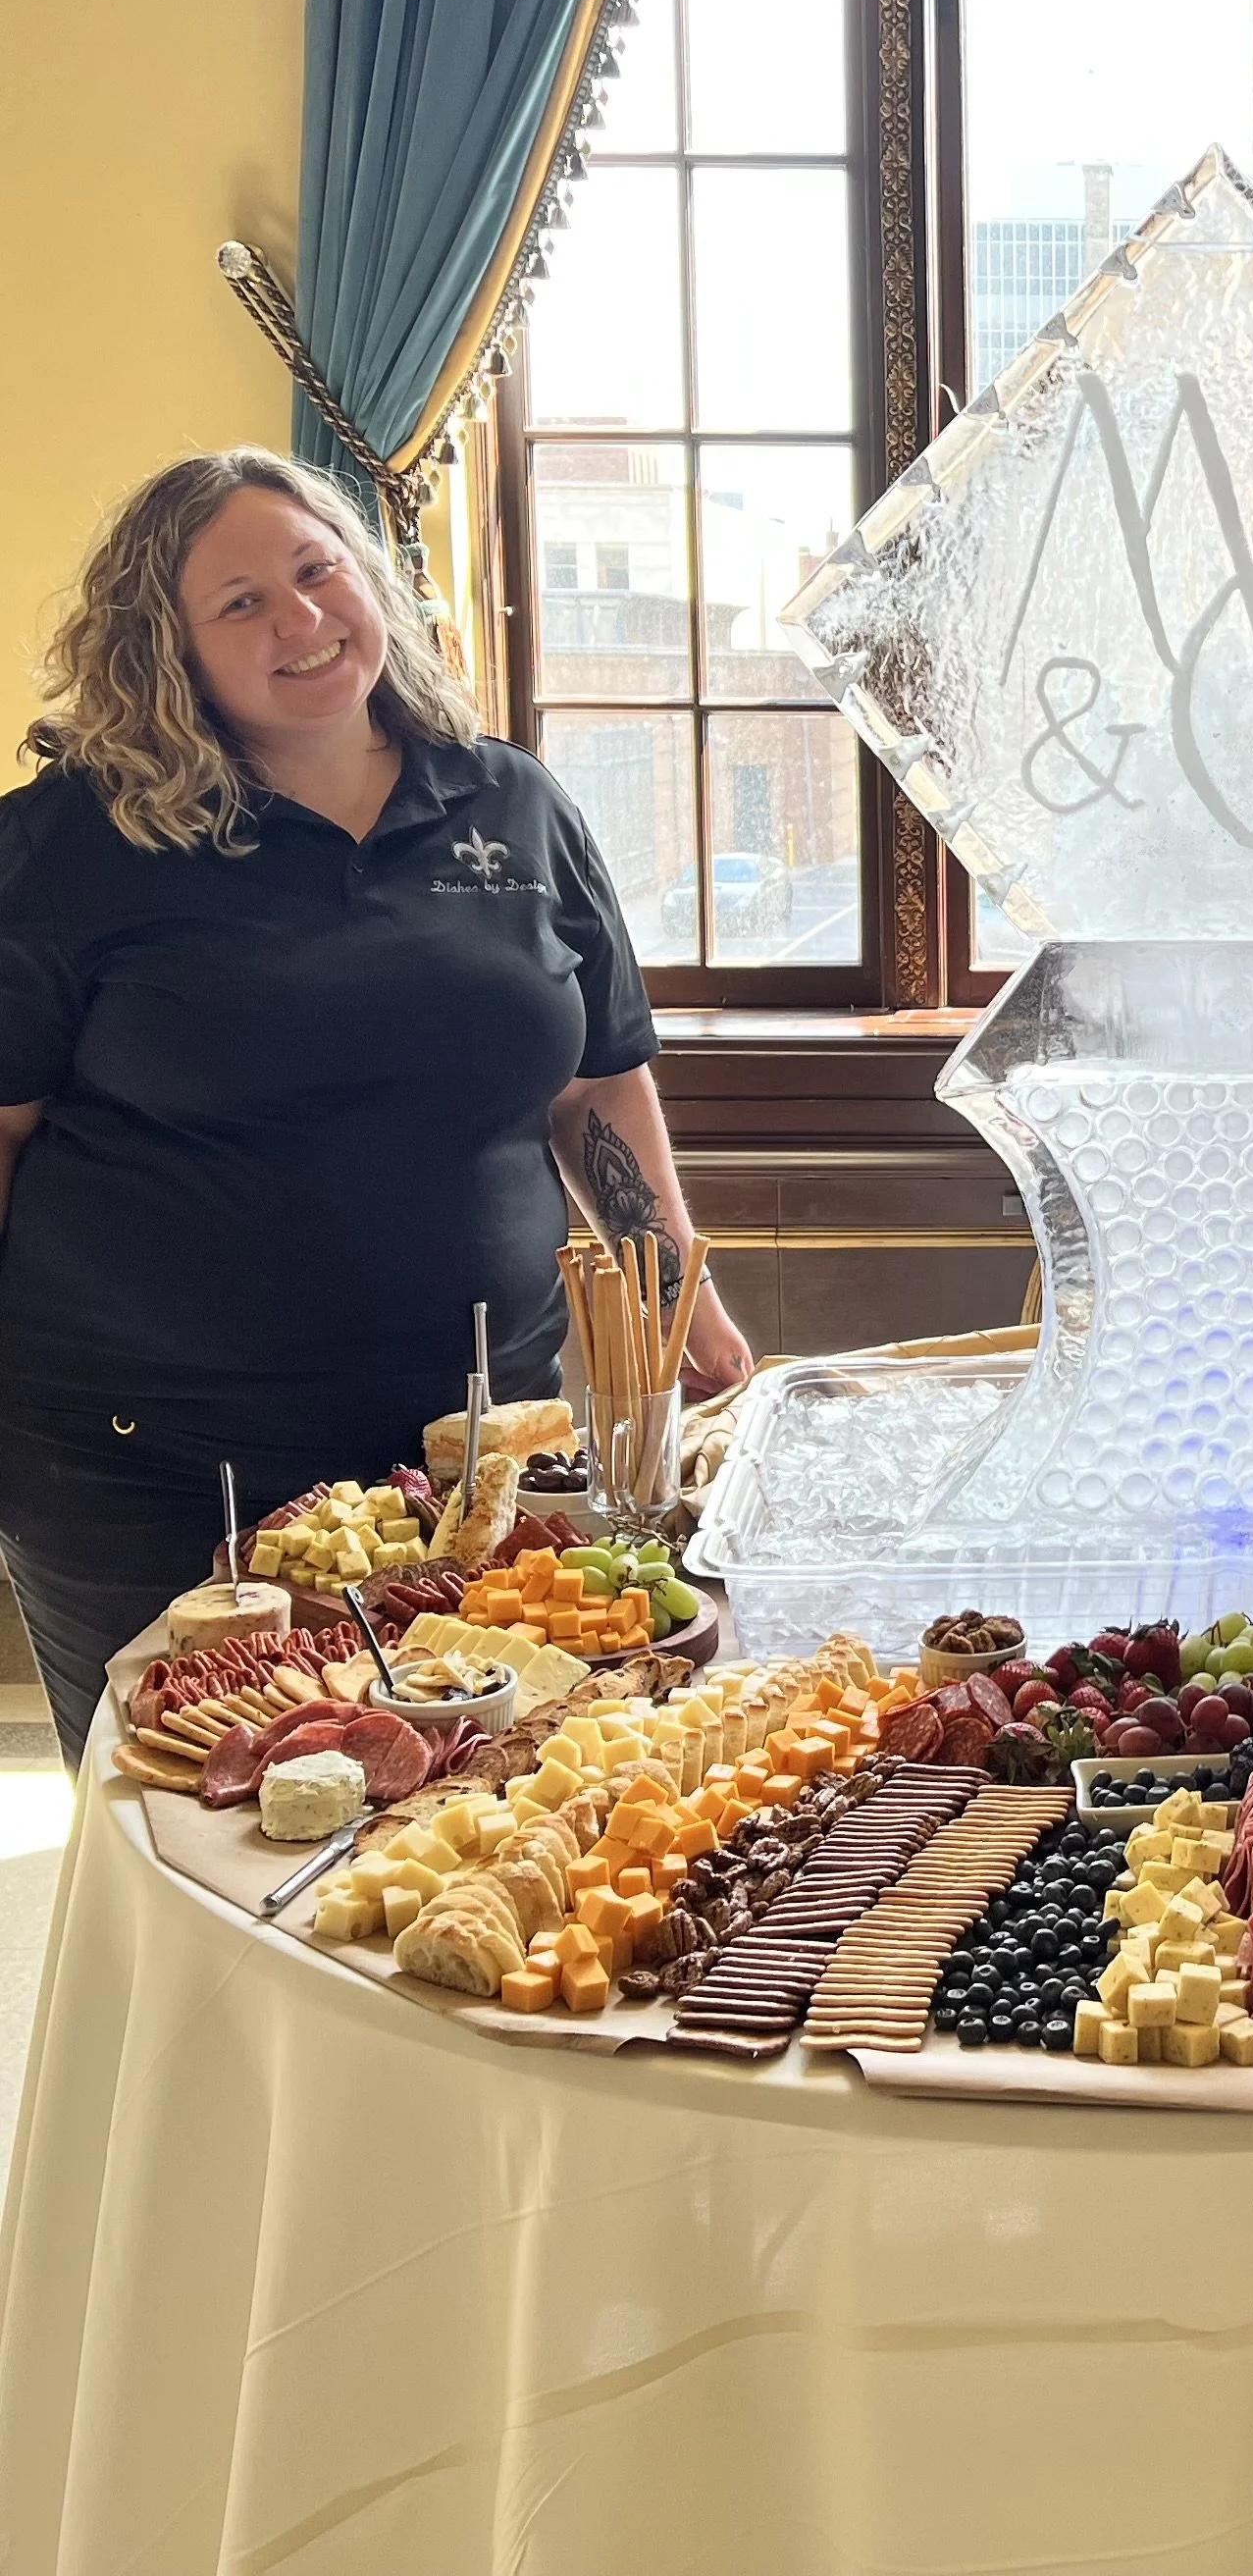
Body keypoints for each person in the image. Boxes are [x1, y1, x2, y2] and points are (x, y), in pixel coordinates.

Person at [0, 449, 754, 1766]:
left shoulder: (510, 801)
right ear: (163, 650)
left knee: (465, 1800)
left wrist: (675, 1287)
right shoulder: (66, 843)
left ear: (368, 578)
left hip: (471, 1452)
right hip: (152, 1462)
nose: (298, 620)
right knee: (209, 1823)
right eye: (238, 603)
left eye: (315, 570)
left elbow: (594, 1082)